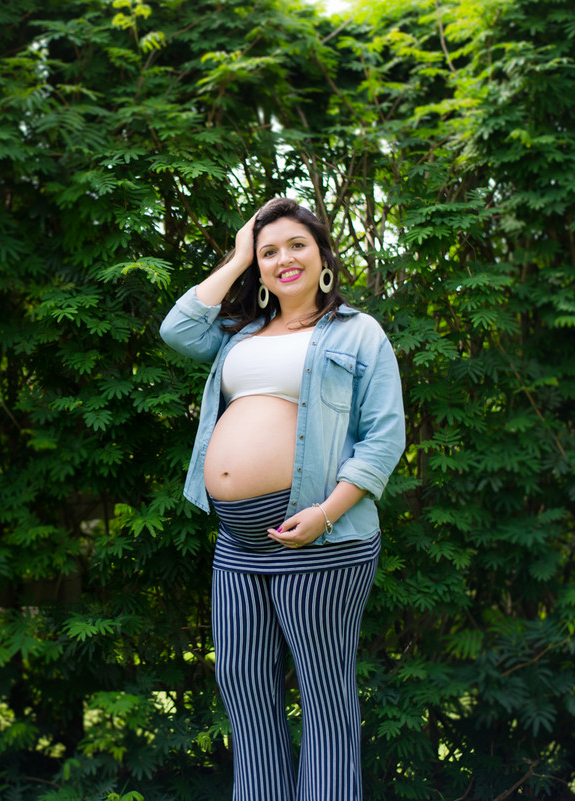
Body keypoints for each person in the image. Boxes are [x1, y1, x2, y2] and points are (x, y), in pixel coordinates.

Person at [159, 197, 405, 800]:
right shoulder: (236, 335)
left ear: (322, 253)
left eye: (296, 244)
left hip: (323, 541)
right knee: (246, 695)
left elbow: (385, 436)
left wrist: (325, 514)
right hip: (238, 546)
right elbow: (176, 329)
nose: (283, 258)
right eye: (270, 252)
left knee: (324, 699)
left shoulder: (357, 331)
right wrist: (240, 252)